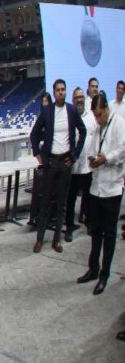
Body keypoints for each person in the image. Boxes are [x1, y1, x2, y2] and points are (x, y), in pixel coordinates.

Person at [28, 79, 86, 252]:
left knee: (61, 203)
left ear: (65, 92)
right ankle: (39, 239)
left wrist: (75, 155)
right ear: (54, 93)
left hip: (65, 162)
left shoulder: (72, 110)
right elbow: (34, 134)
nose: (61, 92)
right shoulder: (47, 111)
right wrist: (38, 154)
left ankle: (56, 240)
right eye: (58, 90)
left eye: (63, 89)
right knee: (45, 203)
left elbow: (83, 132)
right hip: (50, 162)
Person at [77, 92, 123, 295]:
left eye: (99, 114)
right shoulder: (97, 128)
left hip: (112, 188)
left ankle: (105, 274)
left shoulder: (119, 123)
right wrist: (93, 159)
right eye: (95, 115)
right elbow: (91, 150)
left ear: (106, 109)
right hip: (96, 186)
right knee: (95, 231)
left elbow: (122, 150)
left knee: (109, 233)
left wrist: (107, 158)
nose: (97, 118)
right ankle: (93, 269)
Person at [66, 87, 96, 242]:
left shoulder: (91, 117)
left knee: (89, 198)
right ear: (73, 100)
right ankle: (69, 227)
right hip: (73, 168)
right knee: (70, 200)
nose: (79, 100)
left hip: (87, 166)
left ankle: (90, 224)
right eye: (76, 97)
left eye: (81, 97)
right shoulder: (69, 117)